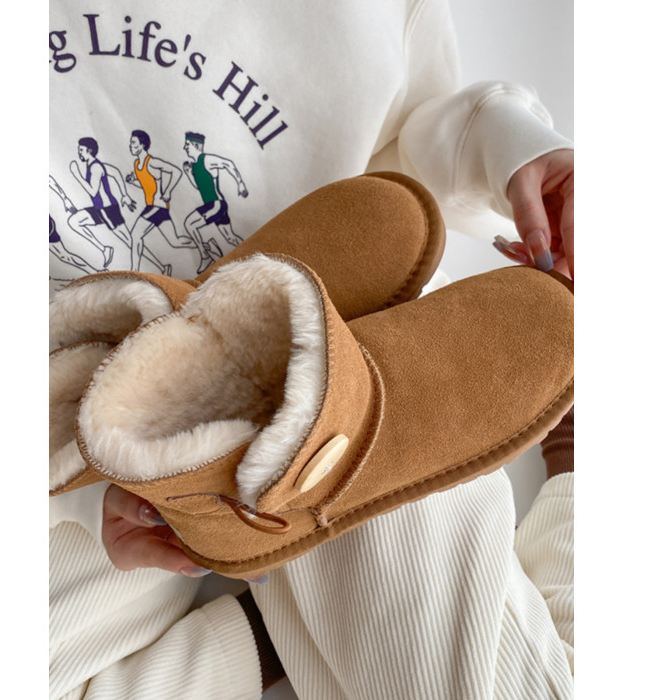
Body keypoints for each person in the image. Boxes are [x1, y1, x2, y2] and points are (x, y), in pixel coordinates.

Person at [49, 1, 574, 697]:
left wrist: (515, 151)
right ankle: (261, 517)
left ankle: (244, 515)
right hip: (302, 392)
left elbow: (415, 140)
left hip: (292, 339)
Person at [182, 131, 249, 273]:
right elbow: (198, 187)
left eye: (187, 145)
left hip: (216, 204)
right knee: (230, 238)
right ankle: (252, 253)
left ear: (196, 145)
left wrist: (240, 183)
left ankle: (205, 256)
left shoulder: (206, 160)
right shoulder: (195, 165)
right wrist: (188, 173)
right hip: (214, 206)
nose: (185, 147)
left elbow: (228, 163)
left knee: (189, 224)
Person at [66, 137, 136, 269]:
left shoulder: (95, 167)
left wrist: (77, 175)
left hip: (107, 210)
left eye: (81, 150)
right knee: (74, 221)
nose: (79, 153)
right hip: (100, 208)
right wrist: (124, 194)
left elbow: (93, 191)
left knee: (130, 241)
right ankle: (105, 249)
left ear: (89, 150)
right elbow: (115, 172)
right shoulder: (94, 164)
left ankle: (160, 266)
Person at [125, 129, 187, 274]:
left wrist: (168, 191)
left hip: (157, 206)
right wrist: (133, 182)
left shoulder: (151, 162)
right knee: (175, 241)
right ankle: (205, 246)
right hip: (152, 207)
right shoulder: (137, 164)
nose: (130, 145)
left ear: (142, 145)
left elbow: (176, 171)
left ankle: (134, 271)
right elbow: (146, 185)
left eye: (133, 143)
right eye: (130, 143)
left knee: (135, 234)